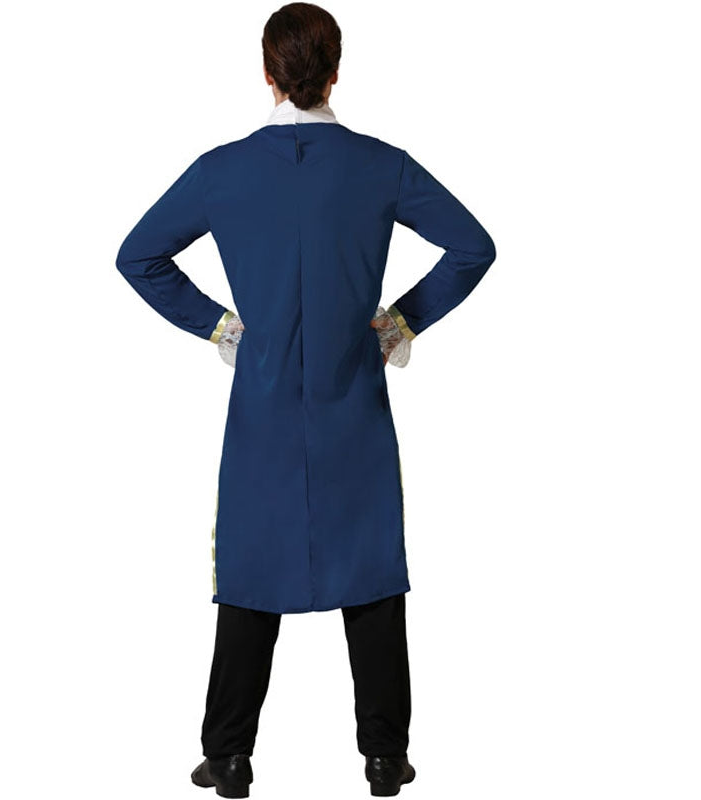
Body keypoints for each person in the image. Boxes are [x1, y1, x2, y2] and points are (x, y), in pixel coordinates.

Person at [115, 3, 496, 796]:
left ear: (266, 72)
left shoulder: (220, 171)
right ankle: (384, 757)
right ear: (336, 72)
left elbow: (139, 256)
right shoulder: (381, 165)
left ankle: (228, 755)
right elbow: (473, 246)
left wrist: (220, 326)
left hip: (262, 401)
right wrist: (400, 322)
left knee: (251, 574)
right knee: (371, 571)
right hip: (352, 397)